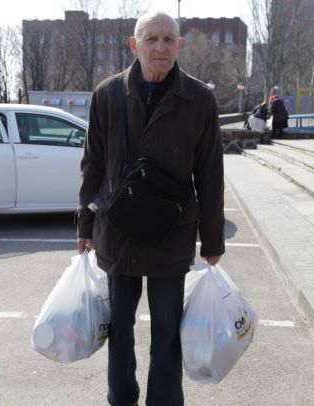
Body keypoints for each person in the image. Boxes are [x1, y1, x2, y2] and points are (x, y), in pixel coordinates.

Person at [76, 10, 225, 406]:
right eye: (151, 38)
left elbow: (210, 173)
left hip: (171, 235)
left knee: (167, 332)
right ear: (134, 44)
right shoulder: (107, 94)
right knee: (119, 328)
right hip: (118, 231)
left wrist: (212, 239)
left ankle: (164, 400)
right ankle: (121, 397)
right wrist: (85, 224)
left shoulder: (199, 99)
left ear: (179, 45)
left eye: (168, 39)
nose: (160, 47)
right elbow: (93, 163)